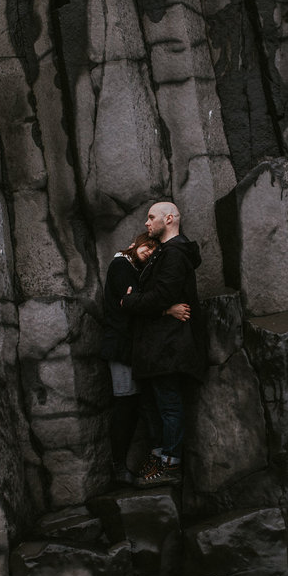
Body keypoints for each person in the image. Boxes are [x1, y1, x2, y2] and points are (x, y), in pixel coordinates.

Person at [121, 201, 206, 486]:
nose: (146, 223)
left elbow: (161, 295)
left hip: (168, 346)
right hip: (157, 347)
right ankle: (159, 458)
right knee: (156, 405)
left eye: (151, 217)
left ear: (168, 219)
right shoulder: (166, 253)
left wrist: (131, 301)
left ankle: (170, 465)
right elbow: (161, 299)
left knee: (169, 405)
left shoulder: (174, 254)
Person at [101, 232, 190, 484]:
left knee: (137, 404)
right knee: (125, 404)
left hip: (132, 348)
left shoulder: (133, 269)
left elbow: (136, 303)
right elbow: (130, 305)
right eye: (147, 246)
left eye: (154, 250)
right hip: (120, 346)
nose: (149, 251)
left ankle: (143, 459)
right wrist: (167, 309)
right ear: (135, 243)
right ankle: (118, 467)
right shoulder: (121, 265)